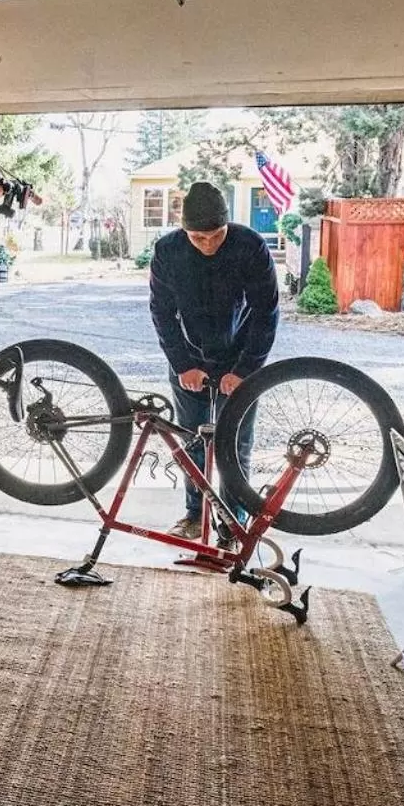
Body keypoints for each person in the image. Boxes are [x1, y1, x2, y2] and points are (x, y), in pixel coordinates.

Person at [147, 181, 280, 540]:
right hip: (189, 359)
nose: (208, 245)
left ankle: (232, 522)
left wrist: (245, 370)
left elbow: (266, 311)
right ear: (183, 229)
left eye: (216, 236)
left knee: (235, 444)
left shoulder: (250, 245)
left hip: (241, 357)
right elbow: (161, 313)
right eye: (198, 238)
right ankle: (194, 515)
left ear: (227, 224)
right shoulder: (168, 251)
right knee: (193, 441)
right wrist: (182, 365)